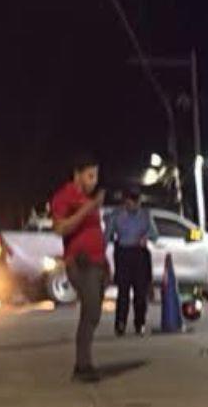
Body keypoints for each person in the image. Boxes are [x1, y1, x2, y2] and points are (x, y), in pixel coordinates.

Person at [50, 153, 107, 382]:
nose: (94, 181)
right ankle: (82, 365)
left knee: (93, 313)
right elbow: (60, 228)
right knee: (91, 310)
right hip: (80, 263)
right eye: (90, 175)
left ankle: (84, 362)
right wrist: (89, 208)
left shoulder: (87, 199)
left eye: (96, 176)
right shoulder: (65, 197)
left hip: (97, 263)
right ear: (77, 174)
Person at [106, 189, 158, 336]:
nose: (134, 206)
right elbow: (107, 236)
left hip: (140, 254)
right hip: (123, 254)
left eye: (137, 203)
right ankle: (120, 324)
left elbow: (155, 235)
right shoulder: (115, 215)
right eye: (131, 203)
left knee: (140, 293)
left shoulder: (145, 215)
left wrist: (145, 236)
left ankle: (139, 323)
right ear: (125, 202)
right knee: (123, 292)